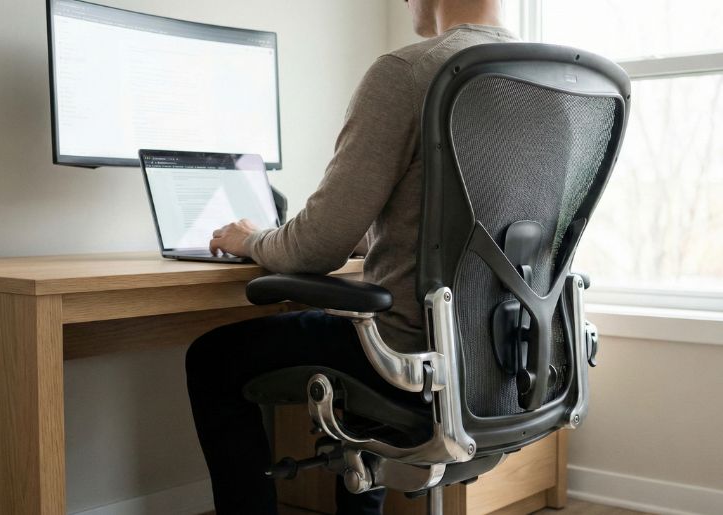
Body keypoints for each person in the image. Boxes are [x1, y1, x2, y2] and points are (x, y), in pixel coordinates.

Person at [186, 1, 517, 513]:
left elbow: (314, 246)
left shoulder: (408, 71)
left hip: (412, 358)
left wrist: (250, 238)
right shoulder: (551, 79)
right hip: (507, 357)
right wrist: (374, 236)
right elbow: (467, 227)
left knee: (211, 359)